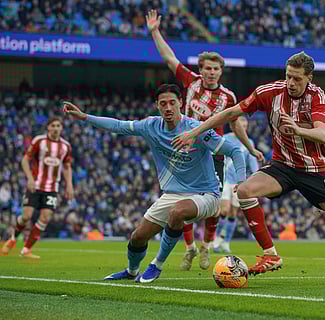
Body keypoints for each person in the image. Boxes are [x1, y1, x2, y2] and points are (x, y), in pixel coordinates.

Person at [172, 51, 325, 282]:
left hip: (315, 170)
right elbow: (232, 113)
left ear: (309, 78)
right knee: (244, 191)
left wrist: (298, 129)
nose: (291, 83)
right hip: (282, 166)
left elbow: (322, 135)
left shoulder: (317, 95)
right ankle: (270, 255)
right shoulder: (269, 92)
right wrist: (194, 131)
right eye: (288, 77)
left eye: (297, 79)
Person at [63, 84, 246, 283]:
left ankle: (156, 265)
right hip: (172, 194)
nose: (168, 108)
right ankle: (131, 271)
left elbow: (234, 151)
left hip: (206, 194)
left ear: (180, 103)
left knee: (177, 212)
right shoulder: (151, 126)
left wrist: (242, 181)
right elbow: (117, 125)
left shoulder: (196, 129)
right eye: (163, 104)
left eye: (172, 103)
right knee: (137, 237)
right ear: (157, 106)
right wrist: (84, 117)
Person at [145, 9, 264, 272]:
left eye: (216, 69)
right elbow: (168, 57)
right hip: (184, 149)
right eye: (207, 68)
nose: (211, 73)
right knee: (182, 202)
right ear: (201, 70)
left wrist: (250, 148)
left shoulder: (229, 97)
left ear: (221, 72)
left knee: (213, 206)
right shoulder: (191, 82)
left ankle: (206, 247)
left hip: (213, 154)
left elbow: (234, 124)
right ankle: (188, 247)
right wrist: (155, 32)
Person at [1, 117, 74, 258]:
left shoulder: (65, 146)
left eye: (59, 126)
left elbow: (66, 166)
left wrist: (69, 184)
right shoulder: (39, 141)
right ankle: (12, 238)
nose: (56, 128)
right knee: (26, 216)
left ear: (62, 128)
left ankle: (26, 249)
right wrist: (29, 179)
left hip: (52, 188)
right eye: (53, 125)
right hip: (35, 185)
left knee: (45, 218)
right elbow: (25, 160)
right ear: (48, 127)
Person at [213, 116, 259, 253]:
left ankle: (226, 242)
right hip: (226, 179)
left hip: (239, 181)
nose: (243, 129)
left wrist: (256, 175)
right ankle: (216, 238)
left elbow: (252, 162)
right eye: (241, 126)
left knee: (233, 213)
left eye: (245, 127)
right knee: (224, 210)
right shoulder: (226, 138)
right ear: (235, 126)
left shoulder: (249, 142)